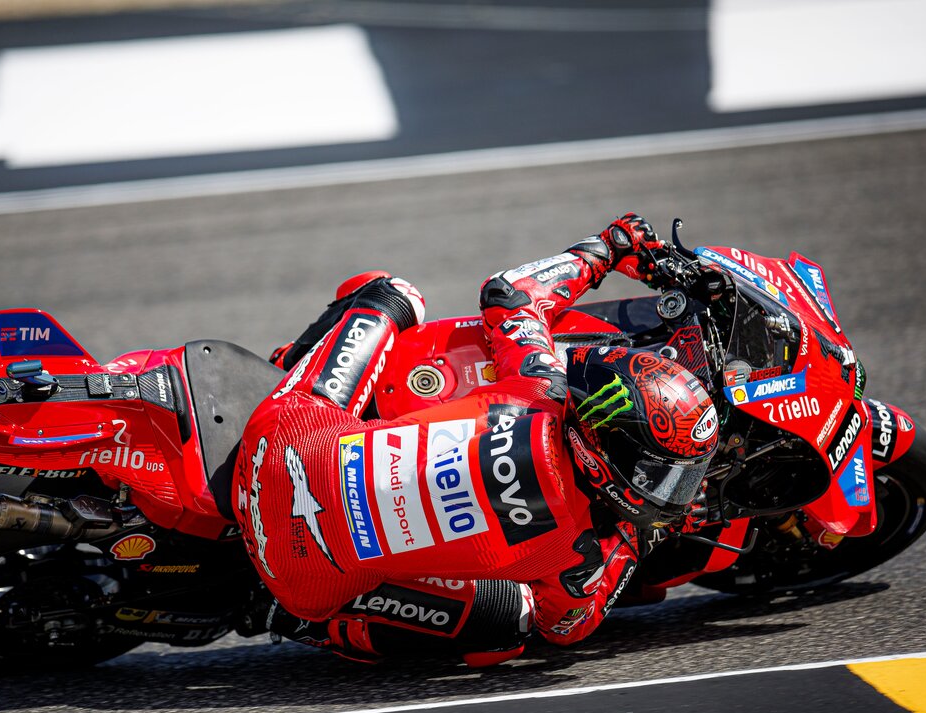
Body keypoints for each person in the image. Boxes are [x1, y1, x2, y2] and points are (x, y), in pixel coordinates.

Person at [233, 214, 719, 665]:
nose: (676, 491)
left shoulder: (538, 387)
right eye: (664, 475)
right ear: (600, 459)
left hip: (276, 443)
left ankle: (288, 366)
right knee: (514, 621)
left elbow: (508, 294)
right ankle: (316, 625)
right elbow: (568, 627)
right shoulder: (578, 555)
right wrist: (635, 539)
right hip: (302, 583)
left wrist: (606, 250)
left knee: (392, 294)